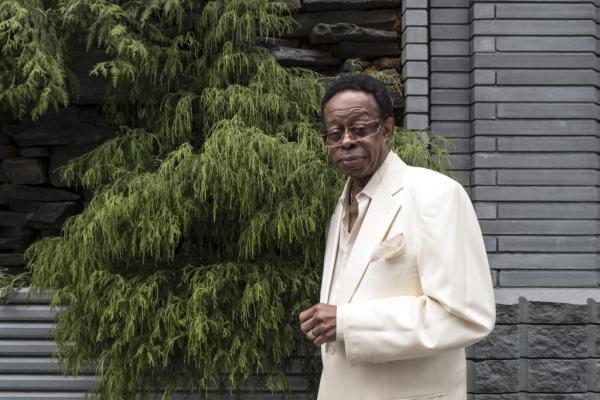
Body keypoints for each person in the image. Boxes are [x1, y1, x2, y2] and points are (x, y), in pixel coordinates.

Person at [299, 75, 495, 400]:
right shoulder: (342, 207)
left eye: (359, 129)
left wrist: (347, 322)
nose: (346, 140)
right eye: (335, 133)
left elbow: (466, 315)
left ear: (386, 129)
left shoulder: (436, 195)